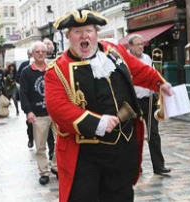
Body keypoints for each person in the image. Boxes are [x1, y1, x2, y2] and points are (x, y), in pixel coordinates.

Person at [44, 9, 172, 202]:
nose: (84, 36)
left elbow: (137, 70)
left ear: (96, 33)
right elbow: (58, 108)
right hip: (85, 157)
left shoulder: (113, 52)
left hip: (122, 149)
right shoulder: (57, 70)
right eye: (78, 32)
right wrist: (96, 122)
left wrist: (160, 82)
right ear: (68, 36)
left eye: (88, 30)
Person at [128, 34, 171, 175]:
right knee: (135, 135)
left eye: (142, 44)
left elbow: (153, 76)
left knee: (154, 133)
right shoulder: (125, 60)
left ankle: (159, 167)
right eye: (137, 44)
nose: (141, 46)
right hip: (133, 102)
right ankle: (135, 167)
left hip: (149, 100)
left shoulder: (147, 58)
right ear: (130, 46)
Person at [20, 41, 55, 185]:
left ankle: (56, 167)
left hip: (55, 112)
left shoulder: (53, 68)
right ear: (32, 54)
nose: (41, 54)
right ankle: (44, 172)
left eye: (43, 51)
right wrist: (28, 111)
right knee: (40, 146)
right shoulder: (27, 72)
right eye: (38, 51)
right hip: (38, 114)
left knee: (60, 143)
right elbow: (23, 93)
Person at [16, 49, 34, 148]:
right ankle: (31, 138)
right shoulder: (24, 65)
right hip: (29, 97)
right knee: (30, 122)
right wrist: (25, 82)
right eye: (30, 54)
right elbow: (17, 77)